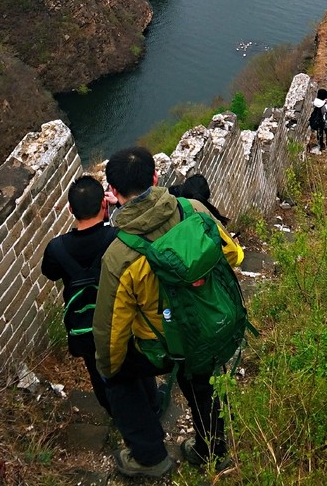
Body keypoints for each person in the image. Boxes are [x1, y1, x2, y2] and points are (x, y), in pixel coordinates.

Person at [93, 147, 243, 479]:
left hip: (161, 347)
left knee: (116, 376)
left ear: (115, 194)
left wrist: (108, 367)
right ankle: (212, 451)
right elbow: (233, 255)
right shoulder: (194, 210)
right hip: (207, 327)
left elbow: (111, 330)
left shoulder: (120, 255)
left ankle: (149, 457)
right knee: (202, 380)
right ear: (156, 178)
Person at [41, 175, 117, 414]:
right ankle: (148, 406)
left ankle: (114, 412)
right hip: (117, 319)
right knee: (131, 362)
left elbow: (51, 274)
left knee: (96, 370)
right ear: (104, 204)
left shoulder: (56, 248)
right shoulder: (115, 238)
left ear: (71, 209)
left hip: (85, 329)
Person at [312, 88, 327, 155]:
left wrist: (325, 100)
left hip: (318, 122)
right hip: (326, 123)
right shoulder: (325, 105)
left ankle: (321, 146)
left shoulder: (316, 102)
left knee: (320, 135)